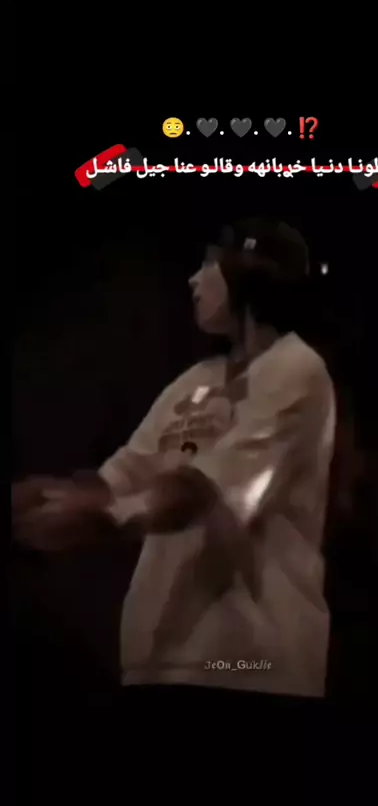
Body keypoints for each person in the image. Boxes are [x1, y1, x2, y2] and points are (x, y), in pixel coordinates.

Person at [13, 219, 337, 697]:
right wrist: (43, 500)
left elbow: (200, 492)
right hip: (158, 664)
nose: (193, 279)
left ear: (250, 275)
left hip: (250, 667)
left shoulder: (297, 369)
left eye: (208, 264)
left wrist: (101, 515)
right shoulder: (194, 382)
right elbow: (119, 478)